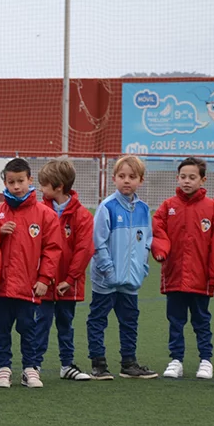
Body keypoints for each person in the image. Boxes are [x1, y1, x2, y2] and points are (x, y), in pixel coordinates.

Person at [0, 158, 61, 389]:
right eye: (11, 182)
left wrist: (44, 279)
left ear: (30, 180)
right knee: (2, 328)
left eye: (21, 181)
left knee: (28, 328)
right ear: (4, 182)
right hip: (1, 286)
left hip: (29, 286)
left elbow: (52, 250)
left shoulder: (45, 215)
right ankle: (4, 368)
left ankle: (30, 368)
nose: (16, 186)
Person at [151, 157, 214, 380]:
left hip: (201, 279)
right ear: (177, 178)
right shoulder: (168, 206)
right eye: (183, 177)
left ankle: (205, 360)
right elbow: (157, 230)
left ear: (203, 180)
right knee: (176, 321)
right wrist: (161, 250)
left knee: (202, 321)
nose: (187, 181)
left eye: (192, 177)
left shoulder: (212, 208)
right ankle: (176, 360)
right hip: (175, 276)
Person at [88, 155, 157, 381]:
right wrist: (109, 271)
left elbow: (146, 241)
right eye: (121, 176)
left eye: (132, 177)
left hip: (130, 281)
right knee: (98, 320)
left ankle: (129, 363)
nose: (126, 181)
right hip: (106, 280)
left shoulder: (144, 209)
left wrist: (142, 269)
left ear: (141, 180)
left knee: (130, 321)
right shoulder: (107, 207)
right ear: (114, 179)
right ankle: (99, 364)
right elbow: (98, 243)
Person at [32, 159, 94, 381]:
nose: (40, 189)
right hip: (43, 284)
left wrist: (70, 278)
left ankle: (67, 365)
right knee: (41, 324)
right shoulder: (37, 211)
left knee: (66, 324)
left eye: (44, 185)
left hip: (68, 284)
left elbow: (84, 250)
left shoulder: (82, 215)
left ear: (58, 187)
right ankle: (34, 366)